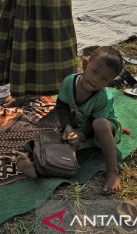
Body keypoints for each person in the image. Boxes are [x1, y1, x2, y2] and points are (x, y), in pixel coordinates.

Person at [15, 46, 124, 194]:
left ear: (108, 83)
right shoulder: (69, 82)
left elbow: (93, 123)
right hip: (79, 126)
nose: (96, 79)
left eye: (104, 78)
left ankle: (113, 171)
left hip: (102, 133)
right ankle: (34, 166)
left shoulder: (103, 97)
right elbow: (62, 107)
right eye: (95, 71)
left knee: (99, 124)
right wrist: (68, 127)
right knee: (53, 141)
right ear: (85, 65)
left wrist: (81, 135)